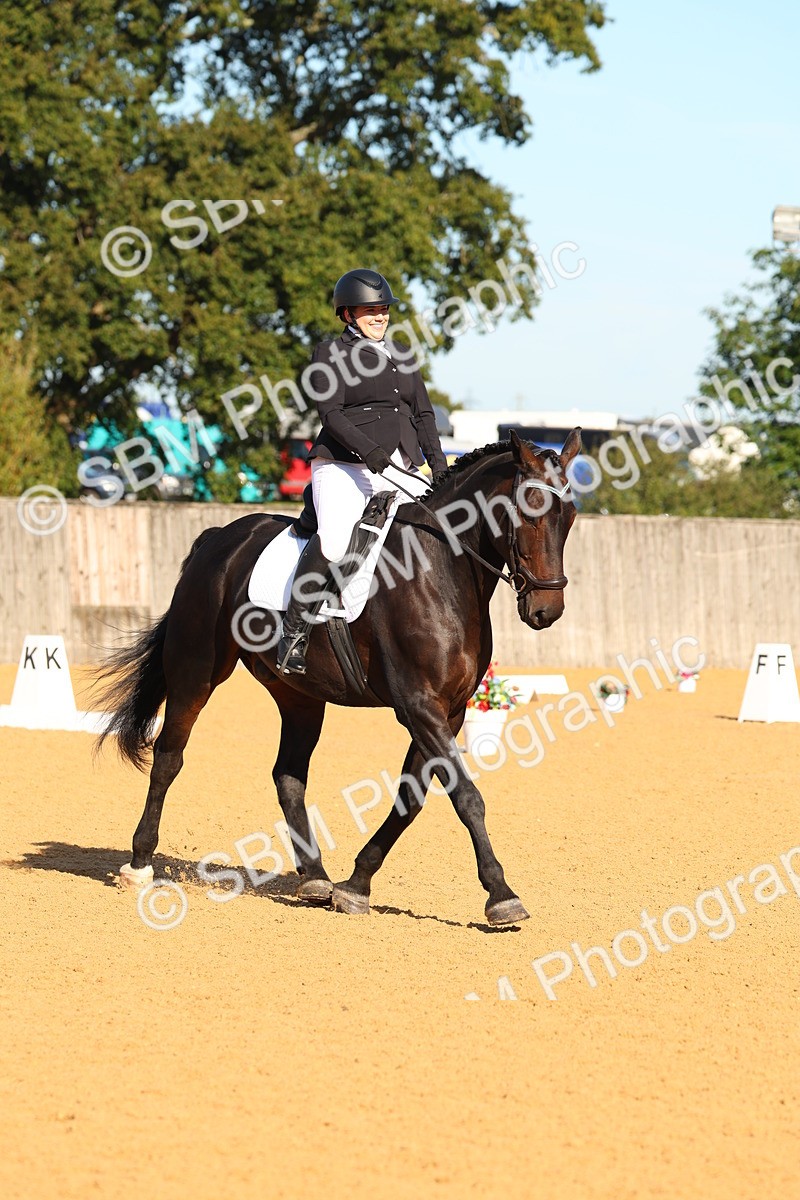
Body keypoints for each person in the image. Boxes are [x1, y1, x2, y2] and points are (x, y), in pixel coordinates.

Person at [277, 268, 448, 675]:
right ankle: (294, 633)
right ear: (348, 313)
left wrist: (441, 469)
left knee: (431, 541)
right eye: (371, 310)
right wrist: (368, 450)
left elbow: (423, 414)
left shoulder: (403, 354)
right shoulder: (329, 354)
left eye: (384, 310)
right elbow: (329, 413)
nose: (380, 317)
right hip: (343, 466)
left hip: (401, 467)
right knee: (336, 543)